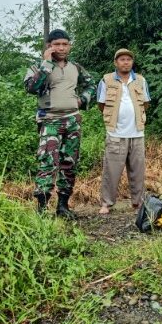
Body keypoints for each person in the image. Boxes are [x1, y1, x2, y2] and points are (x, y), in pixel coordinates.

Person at [24, 29, 96, 219]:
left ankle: (63, 206)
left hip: (72, 120)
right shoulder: (37, 66)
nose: (61, 48)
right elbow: (32, 88)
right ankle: (41, 209)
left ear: (69, 46)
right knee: (47, 163)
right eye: (57, 44)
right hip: (50, 120)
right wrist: (46, 63)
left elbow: (91, 84)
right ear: (49, 46)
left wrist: (82, 99)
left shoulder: (76, 67)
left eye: (65, 44)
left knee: (69, 163)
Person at [97, 48, 151, 215]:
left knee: (138, 171)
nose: (126, 62)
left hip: (137, 133)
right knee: (111, 171)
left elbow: (146, 103)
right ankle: (106, 203)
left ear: (132, 62)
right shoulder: (106, 80)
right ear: (116, 63)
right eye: (122, 59)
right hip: (116, 134)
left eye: (128, 59)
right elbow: (101, 104)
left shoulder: (141, 80)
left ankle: (138, 203)